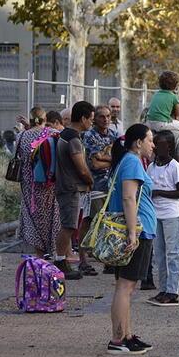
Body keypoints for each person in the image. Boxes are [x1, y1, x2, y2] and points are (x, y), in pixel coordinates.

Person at [106, 124, 156, 354]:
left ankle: (126, 334)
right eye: (150, 140)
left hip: (137, 230)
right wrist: (133, 232)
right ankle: (118, 340)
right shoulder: (133, 162)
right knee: (125, 286)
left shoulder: (128, 161)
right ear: (138, 143)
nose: (152, 145)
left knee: (127, 286)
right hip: (136, 231)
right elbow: (128, 197)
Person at [146, 131, 179, 307]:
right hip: (156, 214)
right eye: (155, 143)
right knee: (159, 254)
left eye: (160, 144)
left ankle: (172, 291)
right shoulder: (152, 166)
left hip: (171, 213)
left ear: (169, 147)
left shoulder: (175, 166)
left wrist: (159, 192)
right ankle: (163, 288)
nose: (156, 147)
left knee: (173, 253)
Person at [54, 101, 95, 280]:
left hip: (65, 185)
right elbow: (81, 167)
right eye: (91, 119)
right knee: (69, 225)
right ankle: (60, 261)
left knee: (69, 225)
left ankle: (61, 259)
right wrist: (90, 180)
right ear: (83, 118)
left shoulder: (66, 134)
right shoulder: (73, 139)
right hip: (70, 187)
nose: (91, 123)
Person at [17, 107, 62, 258]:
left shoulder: (21, 136)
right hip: (49, 185)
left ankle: (39, 256)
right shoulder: (53, 134)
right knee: (51, 217)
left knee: (33, 218)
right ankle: (55, 252)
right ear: (45, 119)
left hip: (29, 186)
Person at [79, 104, 116, 276]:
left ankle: (107, 259)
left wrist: (105, 158)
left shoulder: (113, 135)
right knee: (91, 221)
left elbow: (116, 158)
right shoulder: (89, 136)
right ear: (95, 119)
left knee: (108, 222)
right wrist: (109, 159)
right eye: (102, 116)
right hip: (94, 185)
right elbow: (94, 163)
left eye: (108, 116)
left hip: (111, 184)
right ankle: (83, 259)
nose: (106, 119)